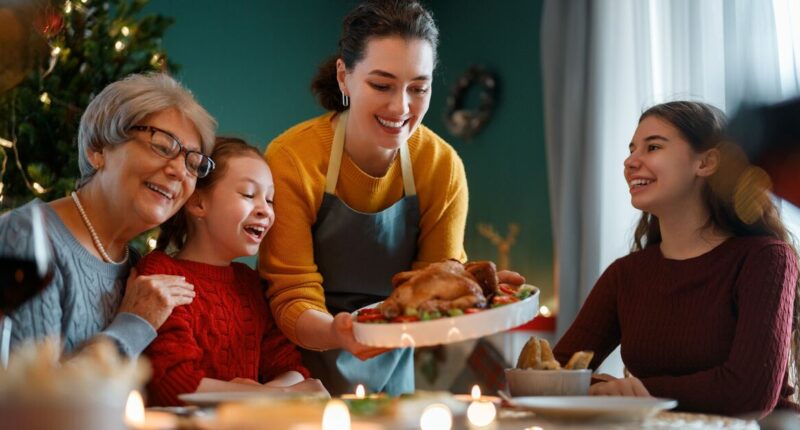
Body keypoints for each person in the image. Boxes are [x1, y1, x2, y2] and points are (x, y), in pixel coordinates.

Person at [260, 0, 525, 396]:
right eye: (381, 85)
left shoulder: (440, 167)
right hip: (298, 376)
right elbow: (290, 293)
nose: (401, 107)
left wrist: (475, 292)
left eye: (418, 88)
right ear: (344, 77)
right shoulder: (293, 159)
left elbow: (433, 286)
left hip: (394, 375)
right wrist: (341, 331)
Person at [553, 101, 800, 417]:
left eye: (653, 147)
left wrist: (634, 393)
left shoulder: (766, 259)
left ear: (708, 162)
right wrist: (604, 387)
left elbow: (749, 393)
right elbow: (554, 374)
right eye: (631, 150)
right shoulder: (625, 275)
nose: (630, 162)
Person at [0, 72, 216, 357]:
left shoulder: (139, 267)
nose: (179, 171)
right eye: (163, 146)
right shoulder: (27, 236)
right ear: (98, 149)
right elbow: (29, 397)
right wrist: (135, 323)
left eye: (194, 163)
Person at [139, 137, 328, 406]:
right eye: (249, 195)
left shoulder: (249, 283)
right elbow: (174, 382)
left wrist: (277, 391)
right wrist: (275, 396)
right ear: (198, 203)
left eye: (270, 199)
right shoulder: (160, 272)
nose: (265, 210)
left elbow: (290, 367)